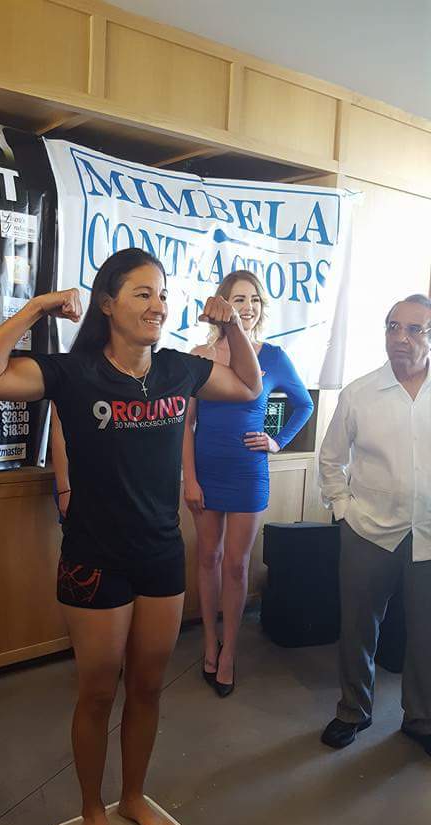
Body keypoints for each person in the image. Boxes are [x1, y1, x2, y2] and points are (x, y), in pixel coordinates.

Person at [0, 248, 263, 825]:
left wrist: (231, 323)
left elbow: (249, 387)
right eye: (142, 293)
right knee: (98, 692)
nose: (158, 305)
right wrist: (38, 307)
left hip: (159, 553)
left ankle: (133, 797)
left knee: (147, 687)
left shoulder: (179, 370)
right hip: (95, 556)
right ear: (106, 304)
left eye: (162, 294)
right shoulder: (73, 373)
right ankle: (93, 810)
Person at [182, 270, 313, 696]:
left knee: (237, 565)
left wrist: (277, 441)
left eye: (254, 299)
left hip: (248, 473)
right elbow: (186, 425)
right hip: (206, 472)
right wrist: (190, 479)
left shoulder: (272, 356)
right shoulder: (199, 355)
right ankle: (209, 643)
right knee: (208, 558)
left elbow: (304, 405)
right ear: (223, 306)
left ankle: (229, 653)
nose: (248, 307)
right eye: (239, 299)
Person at [319, 294, 431, 755]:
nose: (400, 338)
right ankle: (353, 710)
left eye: (414, 329)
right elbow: (331, 460)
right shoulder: (359, 393)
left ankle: (421, 717)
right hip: (368, 531)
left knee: (426, 633)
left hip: (428, 536)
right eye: (393, 327)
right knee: (358, 627)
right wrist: (344, 510)